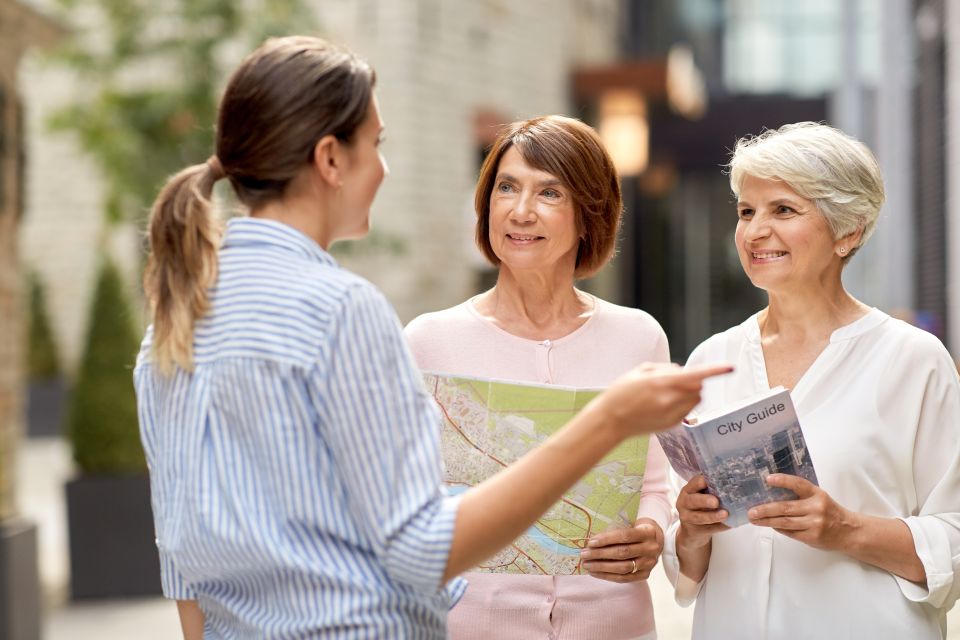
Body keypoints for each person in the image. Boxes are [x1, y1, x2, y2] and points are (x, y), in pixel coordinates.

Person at [133, 36, 729, 639]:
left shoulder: (176, 312)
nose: (385, 167)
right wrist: (606, 422)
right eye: (377, 144)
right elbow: (421, 550)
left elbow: (181, 554)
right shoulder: (344, 311)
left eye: (549, 192)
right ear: (331, 160)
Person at [662, 122, 960, 639]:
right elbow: (686, 569)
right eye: (746, 211)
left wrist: (844, 529)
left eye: (783, 210)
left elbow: (954, 538)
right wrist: (690, 529)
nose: (755, 231)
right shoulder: (711, 360)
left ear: (848, 230)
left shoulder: (912, 360)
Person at [404, 115, 674, 640]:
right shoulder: (427, 342)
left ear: (589, 215)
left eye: (549, 192)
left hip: (614, 623)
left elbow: (655, 484)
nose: (520, 211)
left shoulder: (639, 338)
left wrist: (651, 532)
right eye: (506, 187)